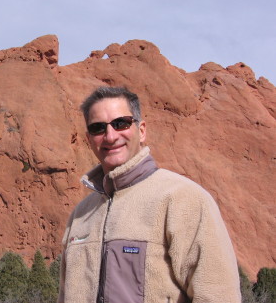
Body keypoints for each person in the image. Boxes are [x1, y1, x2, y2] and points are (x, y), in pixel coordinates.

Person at [58, 86, 241, 303]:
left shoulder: (183, 198)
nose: (110, 135)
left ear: (141, 130)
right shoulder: (81, 215)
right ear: (89, 139)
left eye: (121, 123)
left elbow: (218, 296)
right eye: (98, 128)